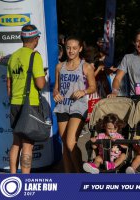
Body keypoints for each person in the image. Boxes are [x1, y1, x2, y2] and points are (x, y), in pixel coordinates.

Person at [53, 36, 96, 173]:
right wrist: (56, 94)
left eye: (74, 48)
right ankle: (68, 175)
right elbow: (56, 88)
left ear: (80, 49)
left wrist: (83, 91)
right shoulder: (60, 66)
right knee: (65, 145)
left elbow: (93, 87)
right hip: (62, 106)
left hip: (78, 106)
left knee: (71, 142)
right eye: (68, 48)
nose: (71, 51)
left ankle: (79, 173)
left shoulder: (86, 66)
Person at [7, 24, 45, 174]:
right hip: (30, 105)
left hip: (15, 103)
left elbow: (8, 85)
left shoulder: (13, 56)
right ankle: (25, 180)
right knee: (28, 145)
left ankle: (12, 176)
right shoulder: (35, 56)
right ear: (35, 39)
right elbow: (40, 84)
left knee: (16, 143)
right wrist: (44, 77)